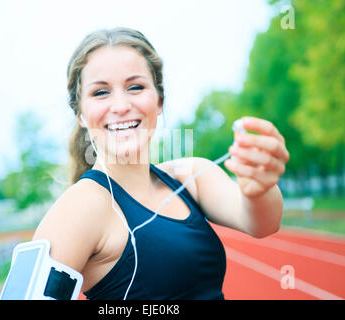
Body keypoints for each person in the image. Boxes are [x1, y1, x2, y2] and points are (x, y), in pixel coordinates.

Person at [33, 27, 290, 300]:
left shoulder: (192, 177)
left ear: (159, 101)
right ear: (81, 114)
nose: (120, 106)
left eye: (135, 87)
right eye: (100, 93)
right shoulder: (82, 206)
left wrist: (261, 187)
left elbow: (263, 224)